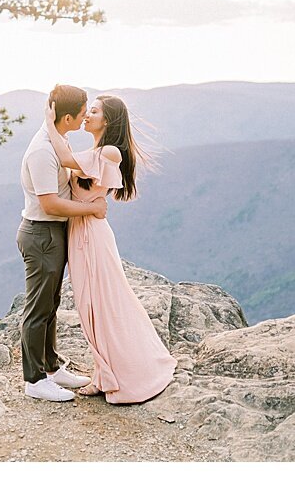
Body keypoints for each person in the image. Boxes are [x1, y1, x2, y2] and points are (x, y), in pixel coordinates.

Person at [44, 94, 178, 404]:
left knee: (98, 305)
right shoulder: (98, 151)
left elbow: (64, 158)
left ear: (108, 120)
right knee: (93, 305)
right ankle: (105, 373)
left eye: (94, 111)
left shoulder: (110, 152)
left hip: (90, 235)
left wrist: (50, 122)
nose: (87, 115)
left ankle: (115, 375)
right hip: (84, 230)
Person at [16, 84, 105, 402]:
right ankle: (34, 379)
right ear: (67, 117)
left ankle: (52, 367)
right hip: (41, 233)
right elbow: (50, 204)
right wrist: (91, 209)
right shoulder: (42, 151)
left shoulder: (58, 139)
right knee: (38, 308)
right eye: (82, 114)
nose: (84, 118)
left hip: (53, 233)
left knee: (50, 304)